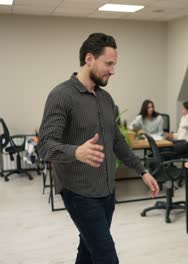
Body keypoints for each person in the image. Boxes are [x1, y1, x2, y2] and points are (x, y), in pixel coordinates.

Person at [37, 33, 159, 264]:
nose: (112, 70)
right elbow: (44, 146)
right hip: (78, 191)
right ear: (89, 58)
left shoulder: (106, 99)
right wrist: (76, 152)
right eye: (109, 63)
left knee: (88, 250)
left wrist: (142, 171)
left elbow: (116, 141)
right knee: (105, 255)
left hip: (107, 190)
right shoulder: (61, 96)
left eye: (114, 64)